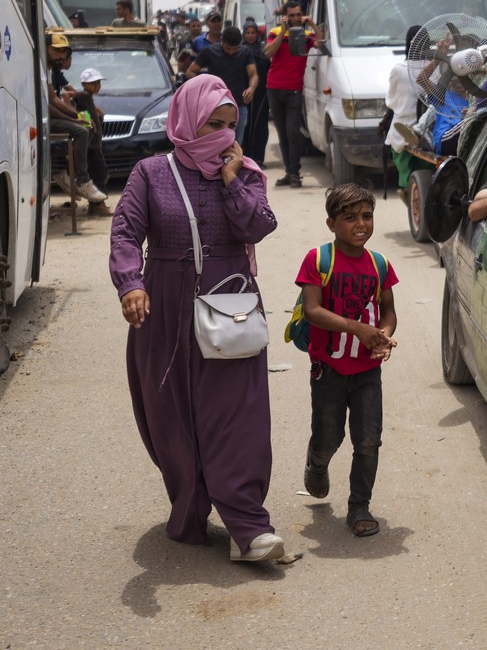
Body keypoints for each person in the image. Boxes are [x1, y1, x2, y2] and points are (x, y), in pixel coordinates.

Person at [108, 74, 283, 562]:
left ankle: (249, 528)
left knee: (239, 417)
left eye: (230, 125)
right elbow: (125, 234)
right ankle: (189, 509)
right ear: (187, 121)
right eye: (213, 125)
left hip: (231, 306)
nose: (223, 136)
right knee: (171, 417)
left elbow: (259, 225)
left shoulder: (245, 171)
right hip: (162, 308)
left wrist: (230, 180)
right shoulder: (150, 172)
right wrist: (131, 284)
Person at [297, 183, 398, 538]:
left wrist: (382, 337)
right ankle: (317, 461)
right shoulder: (318, 260)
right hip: (329, 369)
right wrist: (357, 329)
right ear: (331, 223)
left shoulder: (379, 264)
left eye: (367, 216)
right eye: (350, 217)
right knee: (329, 435)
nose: (360, 224)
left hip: (368, 371)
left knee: (368, 440)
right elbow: (312, 311)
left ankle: (359, 506)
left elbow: (388, 311)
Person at [44, 32, 107, 204]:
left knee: (86, 127)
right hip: (41, 119)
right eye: (57, 51)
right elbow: (51, 103)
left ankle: (70, 172)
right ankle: (81, 180)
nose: (61, 57)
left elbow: (54, 99)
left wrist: (78, 116)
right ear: (46, 49)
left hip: (49, 116)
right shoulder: (42, 68)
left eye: (64, 52)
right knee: (81, 131)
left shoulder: (49, 70)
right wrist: (75, 118)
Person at [264, 3, 317, 187]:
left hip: (294, 89)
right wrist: (283, 32)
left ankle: (294, 173)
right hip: (274, 88)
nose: (296, 18)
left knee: (293, 132)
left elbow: (322, 43)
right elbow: (268, 52)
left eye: (299, 15)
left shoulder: (307, 35)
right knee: (282, 133)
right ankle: (289, 172)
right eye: (292, 15)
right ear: (286, 17)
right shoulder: (276, 32)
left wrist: (312, 24)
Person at [383, 25, 431, 203]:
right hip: (429, 134)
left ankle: (406, 189)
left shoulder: (398, 69)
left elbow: (391, 102)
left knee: (405, 170)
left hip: (401, 132)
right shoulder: (436, 68)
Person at [188, 23, 258, 143]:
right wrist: (205, 89)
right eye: (228, 48)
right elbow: (190, 72)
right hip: (215, 106)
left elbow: (253, 75)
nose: (231, 52)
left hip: (238, 105)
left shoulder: (245, 52)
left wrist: (251, 89)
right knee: (216, 142)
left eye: (235, 49)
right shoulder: (209, 51)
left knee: (236, 142)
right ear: (222, 41)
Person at [72, 67, 112, 216]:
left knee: (97, 172)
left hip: (94, 143)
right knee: (99, 172)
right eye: (94, 83)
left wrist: (95, 111)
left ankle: (94, 206)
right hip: (91, 144)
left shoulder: (87, 98)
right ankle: (99, 204)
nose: (97, 86)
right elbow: (82, 113)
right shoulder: (82, 96)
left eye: (98, 83)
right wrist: (90, 123)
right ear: (85, 84)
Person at [241, 20, 271, 164]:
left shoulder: (263, 49)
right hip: (244, 92)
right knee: (245, 124)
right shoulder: (240, 50)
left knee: (260, 124)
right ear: (244, 34)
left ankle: (258, 158)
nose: (251, 36)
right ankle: (246, 157)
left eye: (253, 33)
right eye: (248, 33)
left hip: (262, 93)